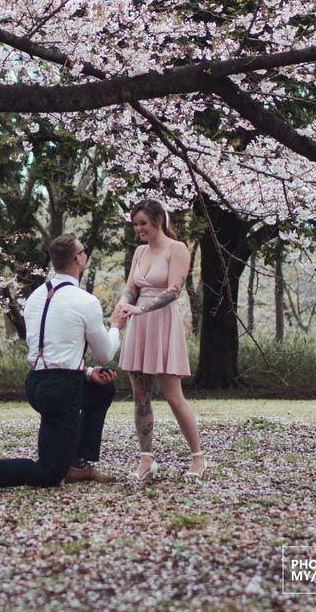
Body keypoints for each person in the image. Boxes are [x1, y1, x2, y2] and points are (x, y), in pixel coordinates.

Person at [0, 233, 125, 492]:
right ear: (78, 258)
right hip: (62, 391)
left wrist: (87, 373)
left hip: (37, 384)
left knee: (101, 389)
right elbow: (106, 353)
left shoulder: (36, 297)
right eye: (84, 250)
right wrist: (116, 326)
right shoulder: (85, 301)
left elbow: (51, 351)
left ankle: (78, 463)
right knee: (50, 473)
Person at [117, 198, 206, 480]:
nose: (139, 229)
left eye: (143, 223)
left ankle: (198, 458)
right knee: (140, 397)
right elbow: (131, 287)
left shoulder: (176, 249)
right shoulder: (140, 252)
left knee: (172, 395)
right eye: (135, 225)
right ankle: (146, 460)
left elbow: (173, 291)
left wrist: (142, 308)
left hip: (162, 323)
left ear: (158, 220)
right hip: (139, 326)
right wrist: (121, 307)